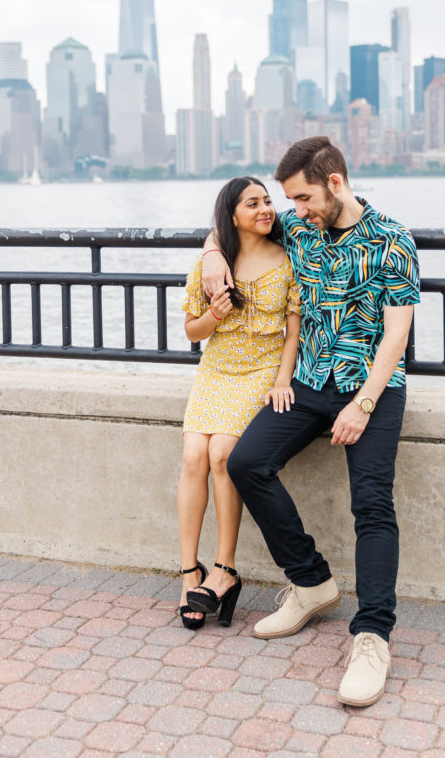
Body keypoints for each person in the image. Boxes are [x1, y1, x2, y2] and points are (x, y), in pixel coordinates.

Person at [202, 137, 419, 706]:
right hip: (309, 383)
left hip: (371, 387)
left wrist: (363, 404)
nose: (292, 210)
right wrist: (210, 256)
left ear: (335, 183)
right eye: (289, 200)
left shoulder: (393, 241)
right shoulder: (301, 229)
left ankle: (372, 636)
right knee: (247, 462)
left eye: (301, 197)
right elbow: (229, 230)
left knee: (372, 503)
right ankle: (311, 582)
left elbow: (397, 335)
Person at [177, 176, 301, 630]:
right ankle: (189, 568)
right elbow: (191, 331)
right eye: (253, 203)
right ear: (232, 215)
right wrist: (215, 313)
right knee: (193, 456)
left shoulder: (288, 260)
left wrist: (282, 380)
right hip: (216, 369)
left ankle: (224, 569)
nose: (266, 209)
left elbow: (293, 330)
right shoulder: (213, 266)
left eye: (268, 201)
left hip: (261, 370)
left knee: (222, 454)